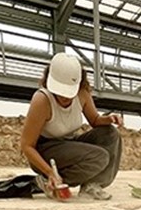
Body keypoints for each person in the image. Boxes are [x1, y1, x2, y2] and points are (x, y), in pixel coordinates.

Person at [20, 53, 123, 200]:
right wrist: (49, 172)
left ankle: (92, 185)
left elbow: (94, 120)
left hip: (69, 144)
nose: (65, 97)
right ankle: (48, 183)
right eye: (60, 92)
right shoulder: (42, 100)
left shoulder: (83, 93)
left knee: (111, 134)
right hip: (45, 151)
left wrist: (108, 119)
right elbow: (27, 146)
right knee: (99, 157)